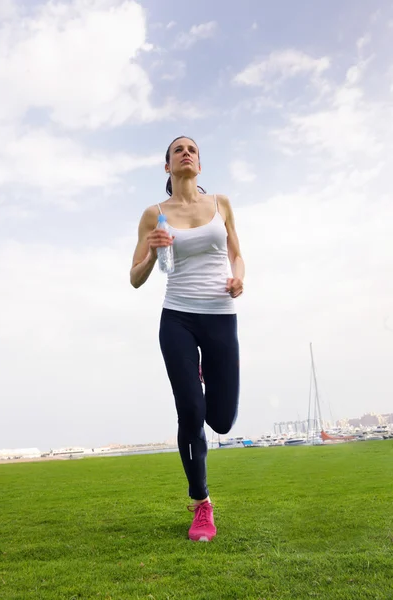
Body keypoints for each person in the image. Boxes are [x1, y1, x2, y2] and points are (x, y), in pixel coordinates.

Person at [130, 136, 245, 542]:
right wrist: (150, 252)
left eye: (192, 149)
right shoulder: (154, 215)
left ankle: (204, 370)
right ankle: (201, 504)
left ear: (199, 163)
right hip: (177, 317)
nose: (186, 153)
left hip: (219, 317)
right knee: (191, 412)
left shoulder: (221, 204)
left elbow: (237, 254)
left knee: (222, 420)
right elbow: (136, 278)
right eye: (178, 150)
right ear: (168, 167)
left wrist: (239, 279)